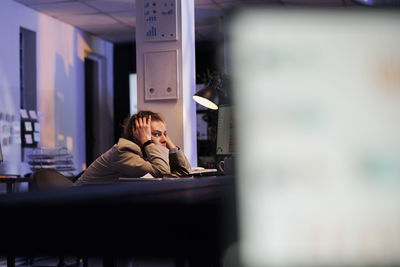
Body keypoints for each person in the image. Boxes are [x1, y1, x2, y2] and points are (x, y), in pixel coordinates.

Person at [74, 111, 191, 185]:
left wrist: (167, 140)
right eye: (156, 134)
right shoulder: (124, 150)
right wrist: (147, 141)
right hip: (80, 203)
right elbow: (162, 172)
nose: (164, 140)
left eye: (165, 134)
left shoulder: (148, 151)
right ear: (137, 134)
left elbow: (184, 173)